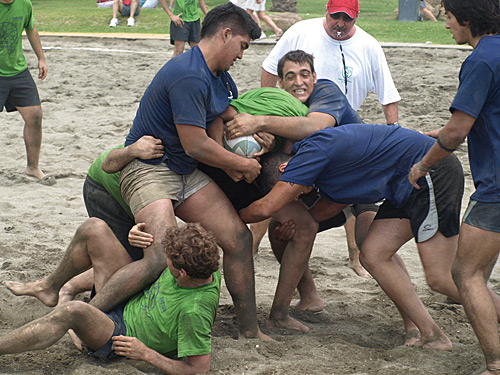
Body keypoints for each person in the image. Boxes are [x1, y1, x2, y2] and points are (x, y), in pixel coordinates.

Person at [97, 3, 267, 340]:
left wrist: (257, 126)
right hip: (149, 169)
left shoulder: (216, 74)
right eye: (243, 46)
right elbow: (196, 145)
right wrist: (242, 164)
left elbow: (222, 110)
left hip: (184, 172)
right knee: (160, 256)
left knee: (238, 238)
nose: (242, 55)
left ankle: (249, 331)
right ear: (226, 34)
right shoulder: (188, 73)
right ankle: (87, 315)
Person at [239, 123, 470, 348]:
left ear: (285, 170)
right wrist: (292, 226)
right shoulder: (325, 178)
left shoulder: (310, 153)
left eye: (290, 194)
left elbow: (265, 208)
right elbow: (315, 217)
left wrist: (231, 216)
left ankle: (485, 310)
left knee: (441, 278)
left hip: (430, 169)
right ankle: (430, 333)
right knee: (373, 255)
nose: (296, 199)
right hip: (402, 186)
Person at [206, 50, 366, 318]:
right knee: (285, 230)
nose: (298, 82)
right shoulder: (282, 106)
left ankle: (417, 323)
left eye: (305, 74)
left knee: (374, 252)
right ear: (280, 83)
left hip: (361, 178)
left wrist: (259, 122)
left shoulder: (327, 92)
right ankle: (309, 297)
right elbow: (282, 144)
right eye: (290, 76)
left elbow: (314, 127)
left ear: (315, 77)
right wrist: (264, 135)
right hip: (324, 187)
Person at [258, 0, 401, 278]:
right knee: (282, 209)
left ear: (356, 17)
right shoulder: (301, 31)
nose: (340, 23)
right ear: (326, 11)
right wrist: (271, 106)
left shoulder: (368, 46)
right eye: (335, 16)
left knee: (367, 235)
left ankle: (358, 258)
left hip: (347, 137)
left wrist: (394, 129)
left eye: (347, 19)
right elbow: (270, 67)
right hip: (309, 136)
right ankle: (303, 290)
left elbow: (387, 92)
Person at [408, 0, 500, 373]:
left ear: (467, 19)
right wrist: (443, 135)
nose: (446, 25)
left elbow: (457, 131)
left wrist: (424, 163)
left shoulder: (479, 60)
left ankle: (495, 364)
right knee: (481, 271)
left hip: (496, 188)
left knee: (465, 274)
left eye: (447, 17)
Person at [3, 221, 221, 374]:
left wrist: (145, 353)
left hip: (119, 334)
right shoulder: (204, 263)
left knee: (72, 311)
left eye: (171, 262)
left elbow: (199, 369)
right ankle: (55, 287)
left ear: (183, 273)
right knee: (94, 229)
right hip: (128, 301)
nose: (166, 262)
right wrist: (134, 235)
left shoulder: (193, 311)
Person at [58, 136, 164, 304]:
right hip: (104, 187)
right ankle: (80, 302)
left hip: (126, 189)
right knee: (123, 259)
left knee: (134, 258)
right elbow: (108, 164)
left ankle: (60, 287)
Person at [0, 0, 48, 181]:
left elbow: (31, 28)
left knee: (35, 115)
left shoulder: (24, 4)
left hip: (18, 71)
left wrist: (41, 58)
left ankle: (32, 168)